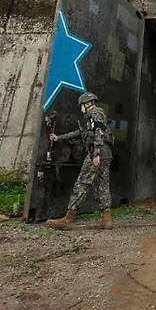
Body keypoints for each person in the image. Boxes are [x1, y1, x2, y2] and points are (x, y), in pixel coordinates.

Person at [46, 92, 114, 231]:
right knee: (102, 186)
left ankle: (68, 219)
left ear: (87, 103)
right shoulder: (92, 118)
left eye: (81, 105)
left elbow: (98, 132)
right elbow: (79, 132)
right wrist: (59, 138)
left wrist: (95, 154)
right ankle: (107, 220)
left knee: (81, 184)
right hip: (105, 155)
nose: (81, 108)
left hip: (98, 154)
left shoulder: (95, 113)